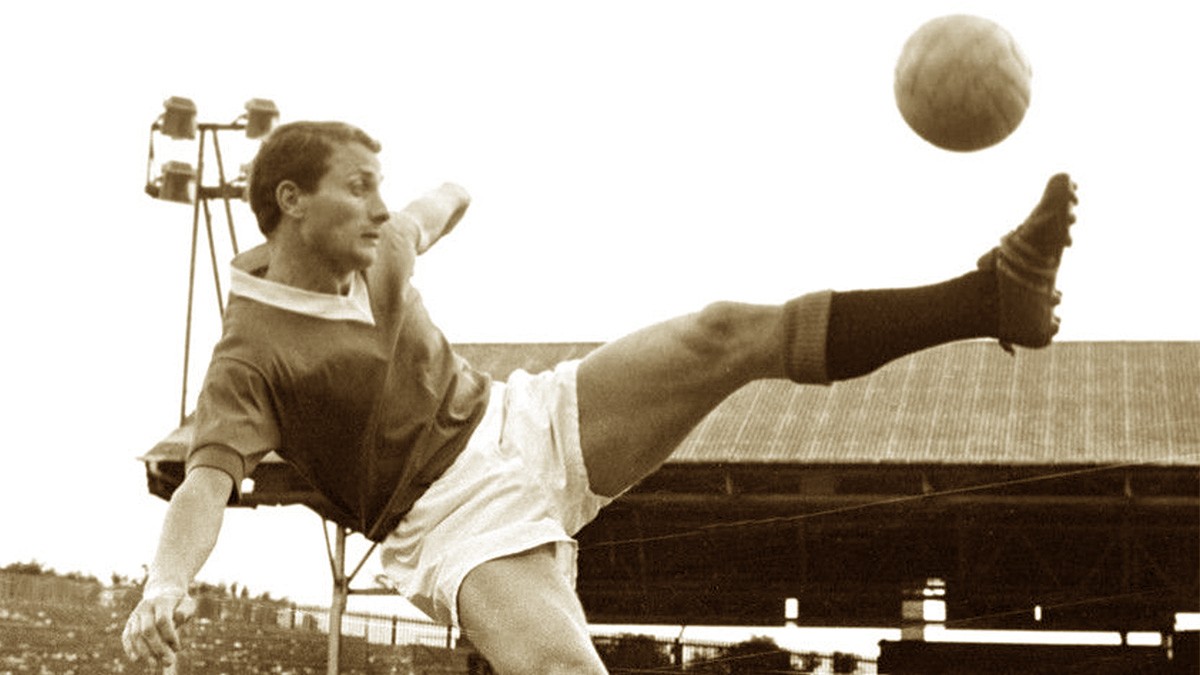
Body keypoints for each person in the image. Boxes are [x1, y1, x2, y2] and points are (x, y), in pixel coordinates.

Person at [122, 120, 1078, 674]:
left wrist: (436, 202)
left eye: (382, 187)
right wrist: (167, 581)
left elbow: (441, 203)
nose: (379, 204)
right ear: (291, 201)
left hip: (525, 417)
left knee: (724, 331)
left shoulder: (379, 245)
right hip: (448, 518)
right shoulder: (251, 352)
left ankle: (992, 297)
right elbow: (206, 482)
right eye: (359, 186)